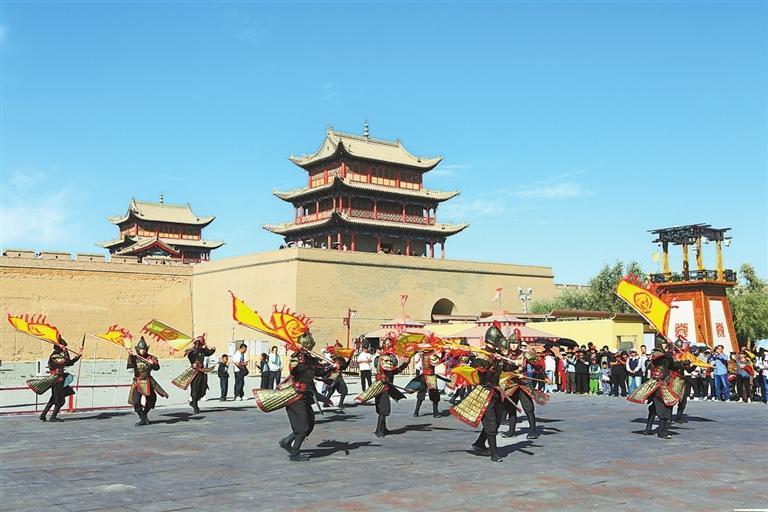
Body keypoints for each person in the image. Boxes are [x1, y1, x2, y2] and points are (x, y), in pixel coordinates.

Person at [254, 332, 332, 461]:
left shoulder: (310, 358)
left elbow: (320, 371)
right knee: (303, 426)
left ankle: (287, 441)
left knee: (310, 423)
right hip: (295, 395)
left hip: (305, 394)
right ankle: (295, 453)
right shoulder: (298, 357)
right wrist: (302, 363)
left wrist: (332, 367)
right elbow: (295, 370)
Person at [451, 325, 506, 462]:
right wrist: (492, 360)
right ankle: (494, 453)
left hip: (496, 391)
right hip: (484, 392)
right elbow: (479, 368)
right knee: (491, 423)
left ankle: (479, 443)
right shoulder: (482, 355)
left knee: (497, 420)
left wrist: (514, 364)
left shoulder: (496, 355)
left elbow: (507, 367)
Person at [355, 339, 411, 438]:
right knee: (384, 408)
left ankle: (383, 428)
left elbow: (394, 371)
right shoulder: (382, 358)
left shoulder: (389, 357)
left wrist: (406, 364)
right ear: (384, 345)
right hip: (381, 386)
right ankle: (378, 430)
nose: (390, 346)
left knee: (383, 408)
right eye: (388, 344)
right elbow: (385, 371)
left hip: (387, 386)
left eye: (391, 344)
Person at [502, 333, 549, 440]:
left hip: (523, 383)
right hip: (510, 384)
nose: (513, 345)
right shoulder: (504, 355)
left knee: (528, 408)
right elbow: (501, 369)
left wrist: (545, 376)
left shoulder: (525, 354)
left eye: (515, 343)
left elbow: (538, 366)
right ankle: (511, 430)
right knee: (511, 408)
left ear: (518, 344)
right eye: (511, 343)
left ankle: (533, 430)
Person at [628, 340, 678, 439]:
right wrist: (671, 351)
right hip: (658, 384)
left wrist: (685, 363)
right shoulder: (658, 355)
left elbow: (673, 366)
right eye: (663, 343)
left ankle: (648, 428)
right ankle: (662, 432)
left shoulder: (666, 357)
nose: (665, 345)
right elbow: (662, 358)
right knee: (666, 407)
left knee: (654, 408)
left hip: (661, 383)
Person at [27, 337, 81, 423]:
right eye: (63, 346)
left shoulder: (58, 356)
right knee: (60, 400)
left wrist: (77, 357)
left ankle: (43, 415)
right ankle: (53, 417)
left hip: (60, 379)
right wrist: (65, 351)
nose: (65, 348)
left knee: (53, 398)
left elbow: (68, 362)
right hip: (57, 380)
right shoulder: (54, 356)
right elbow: (65, 361)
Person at [127, 337, 168, 426]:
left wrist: (153, 364)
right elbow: (129, 367)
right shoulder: (134, 358)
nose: (142, 351)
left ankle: (144, 415)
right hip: (137, 382)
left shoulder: (151, 357)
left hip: (148, 382)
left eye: (144, 349)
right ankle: (143, 418)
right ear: (138, 349)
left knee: (151, 401)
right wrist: (130, 356)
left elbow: (157, 368)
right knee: (136, 402)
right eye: (141, 349)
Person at [173, 336, 216, 414]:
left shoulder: (202, 350)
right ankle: (195, 406)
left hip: (202, 371)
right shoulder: (191, 351)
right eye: (200, 343)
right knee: (195, 389)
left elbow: (209, 353)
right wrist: (197, 344)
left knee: (203, 390)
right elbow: (194, 353)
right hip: (194, 372)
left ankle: (193, 402)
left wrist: (213, 349)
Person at [411, 350, 444, 418]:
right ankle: (435, 413)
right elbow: (437, 362)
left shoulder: (423, 355)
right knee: (435, 395)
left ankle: (416, 412)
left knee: (421, 393)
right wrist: (444, 353)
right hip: (430, 377)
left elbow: (420, 366)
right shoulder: (431, 355)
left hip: (423, 376)